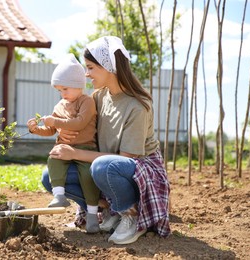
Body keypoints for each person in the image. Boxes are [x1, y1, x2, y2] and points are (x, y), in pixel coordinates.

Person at [41, 36, 171, 244]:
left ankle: (132, 214)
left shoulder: (138, 106)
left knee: (103, 167)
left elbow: (127, 158)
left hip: (138, 169)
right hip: (104, 165)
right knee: (50, 177)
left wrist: (75, 154)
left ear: (109, 67)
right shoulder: (100, 97)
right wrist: (65, 134)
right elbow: (80, 124)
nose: (86, 73)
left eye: (91, 67)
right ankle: (108, 210)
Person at [27, 53, 101, 233]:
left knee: (87, 177)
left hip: (85, 148)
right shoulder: (60, 105)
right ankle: (59, 195)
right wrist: (36, 129)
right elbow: (51, 130)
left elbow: (80, 123)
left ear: (78, 85)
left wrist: (55, 122)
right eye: (59, 90)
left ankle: (92, 217)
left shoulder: (87, 101)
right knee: (53, 158)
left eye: (65, 89)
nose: (62, 93)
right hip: (64, 147)